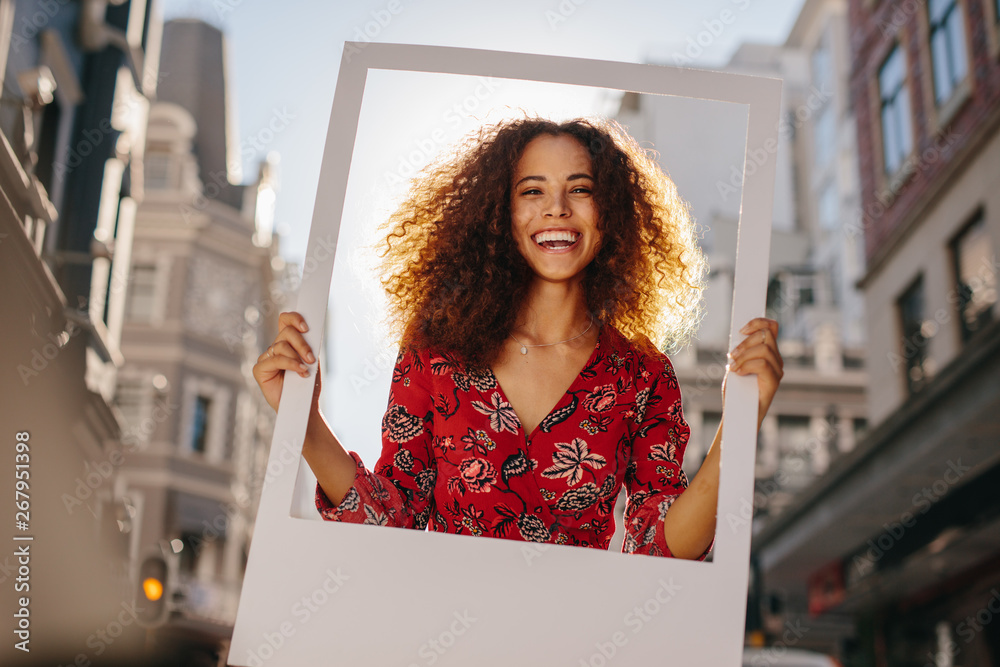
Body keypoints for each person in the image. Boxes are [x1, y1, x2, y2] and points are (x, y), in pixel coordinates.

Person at [252, 117, 783, 560]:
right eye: (532, 191)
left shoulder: (642, 374)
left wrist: (739, 424)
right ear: (499, 215)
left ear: (611, 214)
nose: (557, 208)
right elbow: (393, 521)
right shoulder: (434, 352)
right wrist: (304, 423)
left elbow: (661, 548)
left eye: (581, 189)